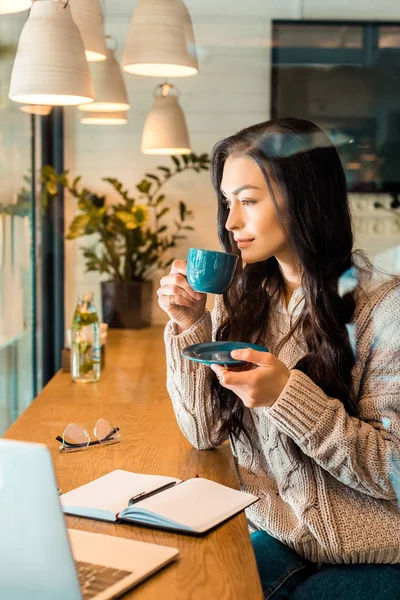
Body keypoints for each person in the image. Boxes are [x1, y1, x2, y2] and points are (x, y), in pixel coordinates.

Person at [157, 117, 400, 599]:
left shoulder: (383, 308)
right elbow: (203, 434)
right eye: (228, 202)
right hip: (283, 536)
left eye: (248, 201)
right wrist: (189, 326)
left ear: (306, 200)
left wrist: (287, 396)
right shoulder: (240, 297)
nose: (230, 223)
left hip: (378, 551)